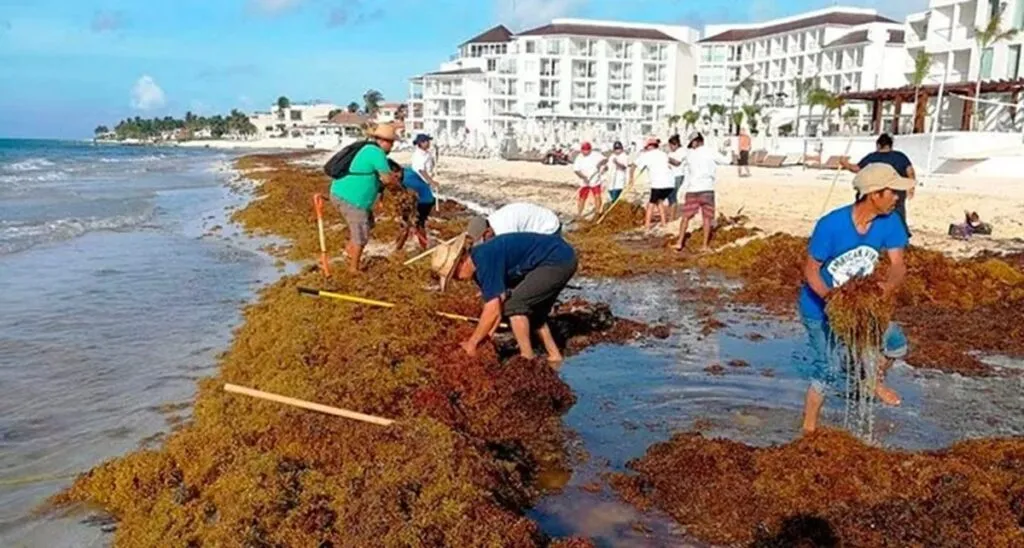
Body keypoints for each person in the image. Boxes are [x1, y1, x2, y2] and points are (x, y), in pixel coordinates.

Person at [798, 163, 915, 434]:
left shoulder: (891, 222)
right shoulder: (832, 225)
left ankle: (871, 379)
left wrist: (886, 288)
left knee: (896, 345)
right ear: (874, 194)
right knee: (827, 370)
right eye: (892, 192)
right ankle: (808, 431)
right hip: (819, 308)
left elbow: (898, 264)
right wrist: (835, 300)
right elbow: (811, 270)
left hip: (862, 303)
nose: (897, 197)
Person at [431, 232, 578, 362]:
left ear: (462, 261)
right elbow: (499, 300)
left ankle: (527, 358)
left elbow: (493, 309)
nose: (457, 279)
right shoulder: (478, 263)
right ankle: (554, 356)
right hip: (557, 257)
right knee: (534, 312)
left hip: (558, 260)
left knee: (515, 305)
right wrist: (487, 336)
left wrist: (472, 343)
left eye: (454, 274)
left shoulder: (484, 259)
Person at [330, 123, 399, 273]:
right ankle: (353, 268)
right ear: (382, 141)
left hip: (349, 198)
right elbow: (387, 179)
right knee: (361, 234)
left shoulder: (368, 150)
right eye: (391, 143)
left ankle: (349, 253)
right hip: (351, 200)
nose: (392, 146)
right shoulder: (376, 153)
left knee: (367, 225)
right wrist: (399, 187)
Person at [840, 133, 915, 237]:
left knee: (871, 215)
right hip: (896, 192)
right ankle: (901, 237)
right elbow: (910, 172)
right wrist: (911, 188)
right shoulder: (900, 156)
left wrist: (845, 163)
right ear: (891, 145)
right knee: (898, 215)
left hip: (874, 192)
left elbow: (856, 169)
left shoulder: (872, 157)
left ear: (878, 145)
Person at [673, 132, 731, 252]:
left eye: (692, 143)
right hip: (707, 189)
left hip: (693, 189)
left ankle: (679, 242)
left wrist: (666, 158)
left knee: (686, 217)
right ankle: (704, 246)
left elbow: (677, 163)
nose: (692, 145)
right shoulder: (710, 152)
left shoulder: (690, 154)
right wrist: (729, 148)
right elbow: (727, 161)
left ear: (696, 141)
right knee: (707, 218)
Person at [629, 136, 675, 233]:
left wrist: (631, 179)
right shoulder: (663, 154)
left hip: (658, 184)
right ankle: (663, 223)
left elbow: (633, 166)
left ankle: (647, 226)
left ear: (649, 146)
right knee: (659, 201)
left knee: (650, 205)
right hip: (670, 183)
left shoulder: (647, 155)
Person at [466, 202, 562, 244]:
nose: (486, 243)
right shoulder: (491, 220)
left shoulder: (505, 230)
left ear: (488, 232)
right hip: (535, 224)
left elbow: (515, 250)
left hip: (547, 227)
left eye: (484, 240)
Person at [394, 161, 435, 251]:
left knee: (417, 225)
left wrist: (410, 216)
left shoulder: (407, 181)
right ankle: (398, 246)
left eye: (394, 176)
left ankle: (423, 247)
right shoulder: (406, 170)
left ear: (396, 171)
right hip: (427, 197)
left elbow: (411, 198)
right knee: (407, 224)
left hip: (424, 201)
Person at [572, 142, 608, 217]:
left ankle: (597, 212)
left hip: (595, 180)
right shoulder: (579, 157)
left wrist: (600, 163)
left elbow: (605, 159)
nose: (585, 152)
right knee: (582, 197)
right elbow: (576, 170)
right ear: (581, 150)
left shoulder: (596, 154)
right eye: (584, 150)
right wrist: (584, 177)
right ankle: (579, 214)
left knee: (597, 196)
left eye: (587, 150)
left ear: (590, 149)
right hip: (584, 182)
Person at [666, 134, 687, 221]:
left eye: (671, 146)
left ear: (675, 144)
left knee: (673, 195)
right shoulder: (671, 153)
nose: (670, 147)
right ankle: (670, 214)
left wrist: (667, 158)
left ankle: (672, 217)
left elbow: (677, 163)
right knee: (669, 196)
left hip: (678, 176)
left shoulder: (682, 151)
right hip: (670, 176)